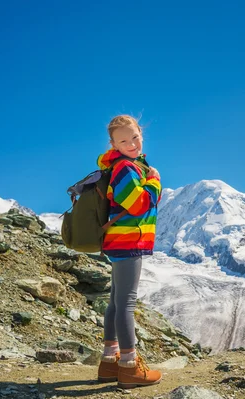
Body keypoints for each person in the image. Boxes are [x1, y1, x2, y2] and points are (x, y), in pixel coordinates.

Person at [96, 115, 162, 388]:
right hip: (128, 242)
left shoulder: (128, 165)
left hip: (121, 241)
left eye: (134, 137)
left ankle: (109, 363)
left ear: (141, 134)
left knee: (116, 302)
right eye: (124, 140)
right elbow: (138, 204)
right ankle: (129, 366)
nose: (132, 143)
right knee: (126, 304)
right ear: (113, 143)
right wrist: (154, 182)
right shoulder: (125, 168)